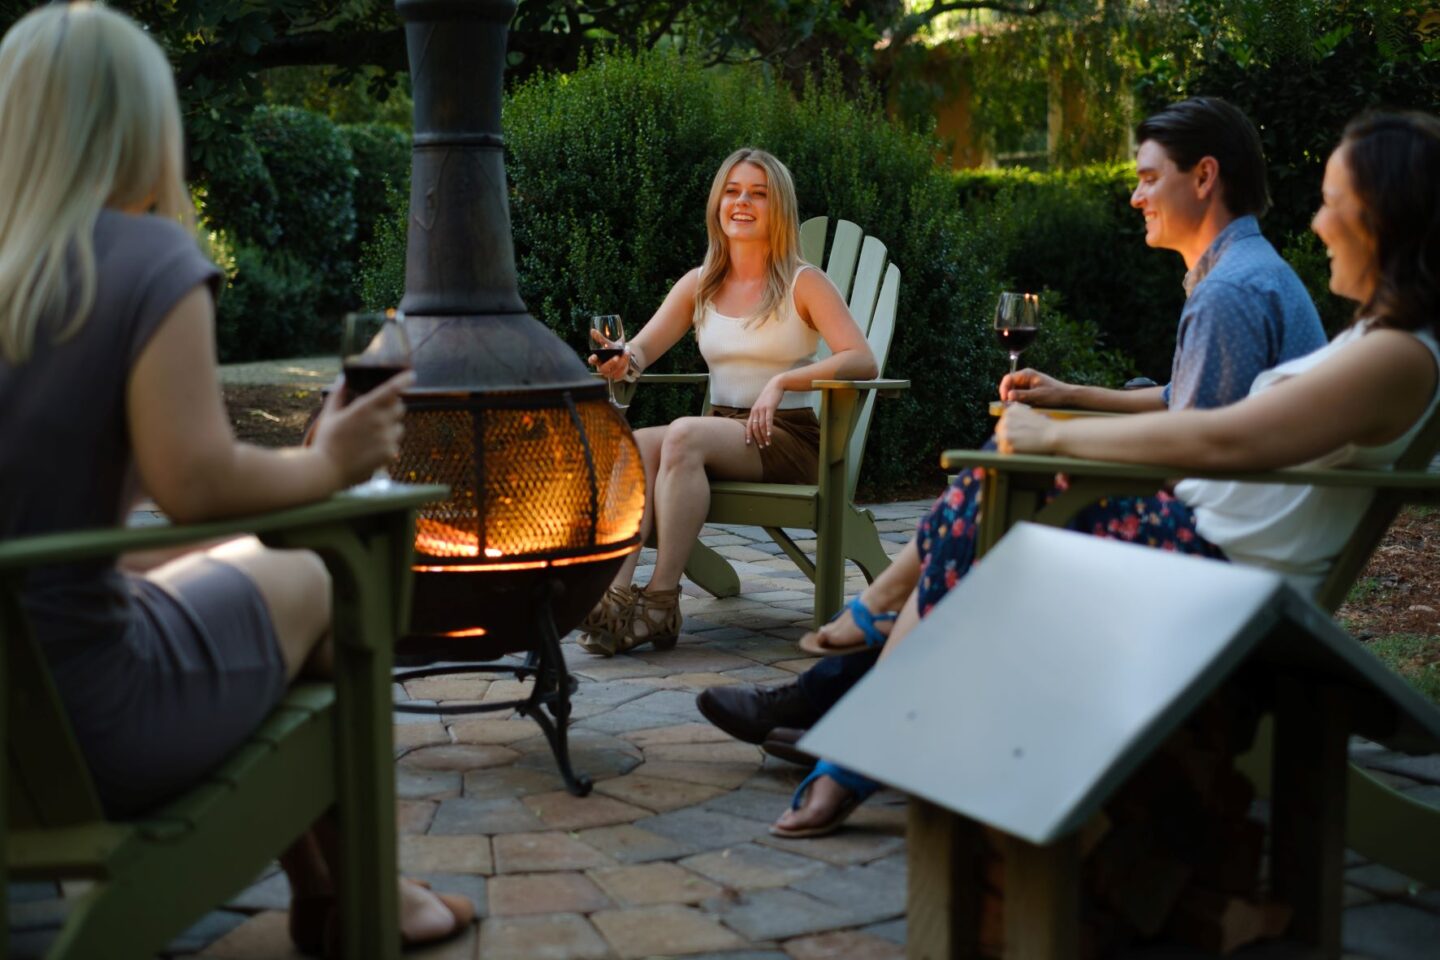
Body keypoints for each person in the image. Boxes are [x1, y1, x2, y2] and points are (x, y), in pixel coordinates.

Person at [769, 109, 1440, 838]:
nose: (1317, 223)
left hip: (1221, 568)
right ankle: (865, 736)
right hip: (1213, 545)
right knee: (996, 490)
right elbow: (1211, 417)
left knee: (1001, 489)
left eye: (1334, 202)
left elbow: (1223, 436)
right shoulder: (1380, 340)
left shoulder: (1394, 354)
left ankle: (866, 726)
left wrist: (1059, 437)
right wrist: (1064, 419)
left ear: (1388, 215)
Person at [0, 4, 470, 953]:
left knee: (227, 555)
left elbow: (66, 523)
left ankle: (330, 886)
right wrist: (329, 461)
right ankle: (363, 890)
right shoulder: (147, 258)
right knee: (320, 575)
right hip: (86, 727)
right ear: (140, 127)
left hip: (18, 710)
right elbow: (195, 481)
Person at [697, 97, 1327, 753]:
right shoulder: (1242, 274)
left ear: (1203, 177)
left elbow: (1193, 444)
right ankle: (839, 701)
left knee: (995, 506)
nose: (1136, 196)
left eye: (1148, 177)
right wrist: (1070, 396)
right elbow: (1187, 403)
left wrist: (1061, 445)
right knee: (987, 516)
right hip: (1233, 523)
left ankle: (850, 697)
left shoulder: (1230, 292)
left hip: (1214, 550)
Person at [580, 147, 878, 656]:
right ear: (717, 204)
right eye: (733, 191)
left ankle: (660, 602)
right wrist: (620, 361)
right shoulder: (700, 284)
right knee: (637, 446)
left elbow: (862, 359)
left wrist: (784, 382)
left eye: (758, 194)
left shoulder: (804, 283)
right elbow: (641, 352)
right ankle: (614, 596)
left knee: (682, 434)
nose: (742, 202)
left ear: (778, 208)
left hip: (789, 439)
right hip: (723, 433)